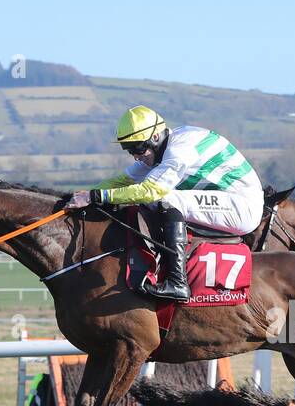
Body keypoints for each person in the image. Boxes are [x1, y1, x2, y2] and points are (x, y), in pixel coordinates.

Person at [65, 106, 263, 302]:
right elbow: (121, 181)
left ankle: (177, 282)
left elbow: (151, 191)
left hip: (242, 206)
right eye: (129, 150)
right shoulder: (160, 149)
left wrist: (97, 197)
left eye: (138, 148)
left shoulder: (178, 150)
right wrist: (85, 195)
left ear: (156, 137)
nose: (135, 155)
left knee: (162, 198)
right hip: (226, 198)